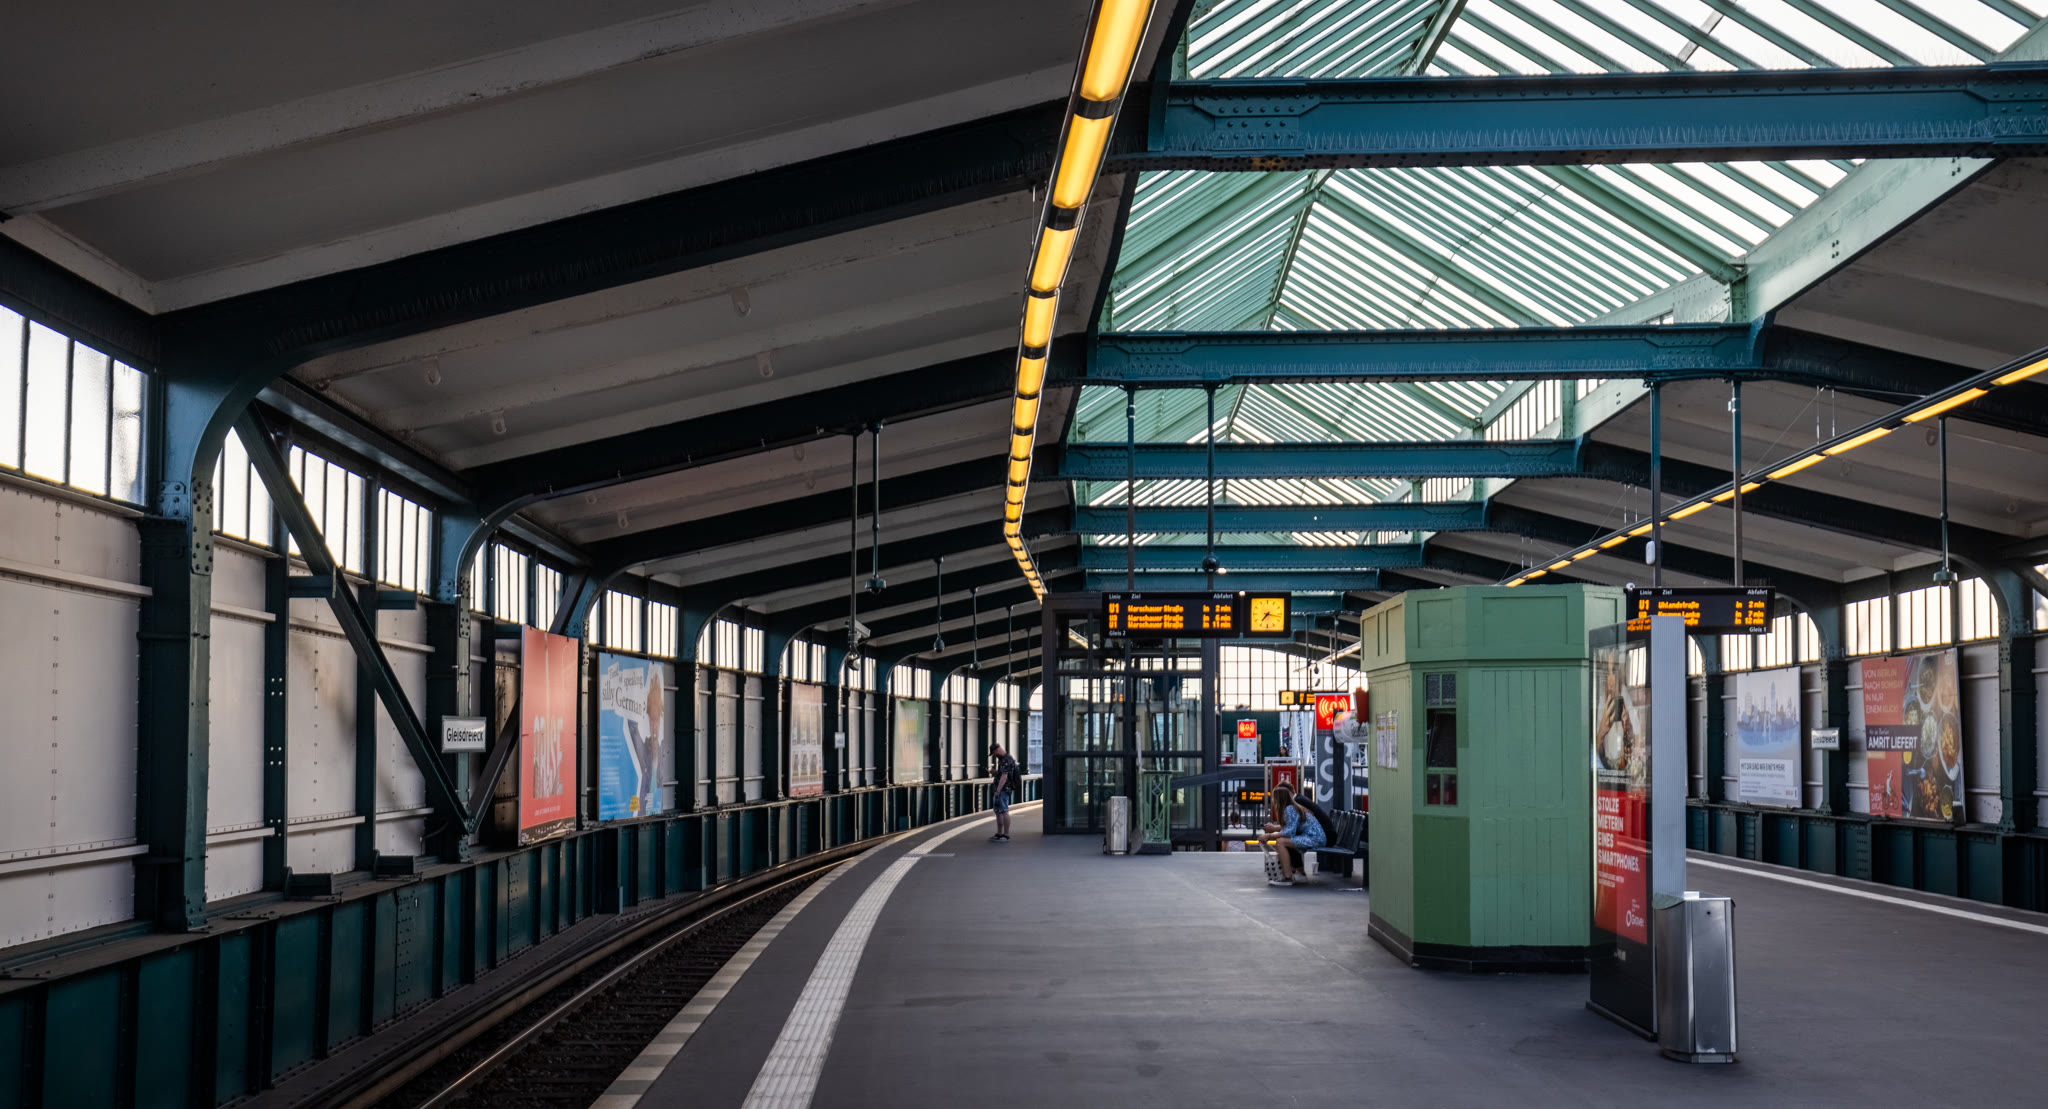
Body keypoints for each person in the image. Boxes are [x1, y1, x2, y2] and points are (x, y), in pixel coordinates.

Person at [1261, 784, 1324, 885]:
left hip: (1314, 838)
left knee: (1281, 842)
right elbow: (1290, 828)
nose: (1272, 800)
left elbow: (1289, 832)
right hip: (1315, 836)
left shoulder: (1289, 809)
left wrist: (1269, 836)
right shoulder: (1292, 807)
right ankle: (1292, 873)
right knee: (1283, 841)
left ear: (1279, 799)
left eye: (1273, 797)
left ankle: (1287, 877)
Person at [988, 743, 1020, 843]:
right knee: (998, 811)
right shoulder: (1004, 759)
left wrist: (998, 790)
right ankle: (999, 833)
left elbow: (1004, 776)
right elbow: (1002, 774)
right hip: (1001, 789)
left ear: (997, 750)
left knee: (1004, 811)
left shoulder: (1006, 760)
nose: (994, 755)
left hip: (1003, 789)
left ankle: (1006, 834)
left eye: (994, 753)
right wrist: (995, 772)